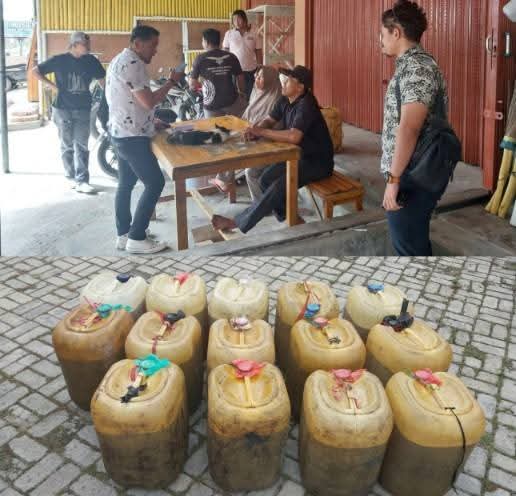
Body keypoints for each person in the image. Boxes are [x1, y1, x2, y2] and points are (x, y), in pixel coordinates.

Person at [211, 65, 334, 234]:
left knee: (278, 185)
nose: (283, 83)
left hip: (318, 162)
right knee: (265, 180)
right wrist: (255, 132)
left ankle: (237, 222)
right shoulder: (285, 99)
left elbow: (294, 136)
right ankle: (295, 220)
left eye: (288, 80)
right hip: (298, 156)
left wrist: (260, 132)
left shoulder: (307, 104)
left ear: (300, 87)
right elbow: (269, 120)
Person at [380, 0, 449, 256]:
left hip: (413, 175)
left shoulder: (417, 68)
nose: (380, 40)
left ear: (396, 32)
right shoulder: (411, 66)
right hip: (411, 170)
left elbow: (409, 128)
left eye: (383, 34)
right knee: (412, 242)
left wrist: (394, 180)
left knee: (409, 249)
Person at [106, 25, 182, 254]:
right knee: (155, 183)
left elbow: (131, 101)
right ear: (137, 44)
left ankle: (124, 234)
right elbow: (148, 101)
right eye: (152, 45)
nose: (155, 50)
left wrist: (150, 121)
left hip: (121, 131)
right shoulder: (133, 64)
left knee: (126, 184)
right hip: (132, 137)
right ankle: (137, 237)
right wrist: (171, 82)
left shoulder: (119, 59)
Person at [33, 31, 105, 194]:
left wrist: (106, 97)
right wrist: (53, 87)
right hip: (62, 109)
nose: (89, 47)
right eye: (85, 44)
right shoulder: (59, 60)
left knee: (82, 144)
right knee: (66, 144)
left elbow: (102, 79)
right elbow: (35, 71)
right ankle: (71, 176)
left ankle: (82, 180)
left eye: (89, 44)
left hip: (83, 108)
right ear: (74, 44)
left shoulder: (91, 61)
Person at [190, 28, 246, 192]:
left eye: (202, 41)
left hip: (212, 105)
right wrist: (242, 94)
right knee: (237, 136)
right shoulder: (231, 57)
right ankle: (232, 175)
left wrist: (204, 86)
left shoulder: (200, 59)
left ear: (206, 42)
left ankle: (222, 178)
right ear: (219, 40)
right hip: (232, 102)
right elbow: (240, 79)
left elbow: (192, 84)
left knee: (218, 140)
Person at [242, 66, 283, 201]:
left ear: (270, 79)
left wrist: (256, 130)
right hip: (256, 135)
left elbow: (275, 127)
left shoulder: (278, 98)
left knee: (250, 170)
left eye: (260, 77)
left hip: (271, 141)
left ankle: (260, 206)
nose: (256, 79)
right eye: (256, 76)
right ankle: (224, 179)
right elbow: (249, 115)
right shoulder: (257, 91)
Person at [223, 9, 262, 100]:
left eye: (239, 19)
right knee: (235, 95)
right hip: (234, 71)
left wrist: (260, 66)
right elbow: (225, 51)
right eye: (234, 20)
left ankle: (249, 108)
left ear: (244, 19)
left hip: (250, 70)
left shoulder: (254, 34)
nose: (236, 22)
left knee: (250, 95)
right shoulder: (229, 34)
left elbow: (258, 51)